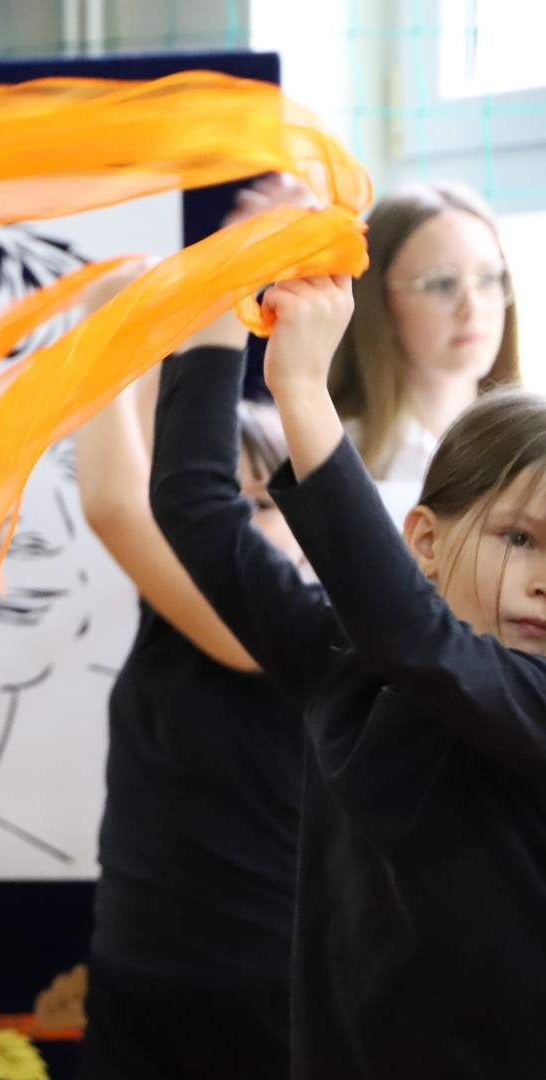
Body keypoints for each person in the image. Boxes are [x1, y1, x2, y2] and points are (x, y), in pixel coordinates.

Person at [151, 271, 546, 1077]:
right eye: (521, 538)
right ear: (425, 540)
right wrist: (219, 308)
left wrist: (300, 387)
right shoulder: (342, 663)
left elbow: (414, 636)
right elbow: (195, 509)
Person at [75, 177, 310, 1080]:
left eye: (266, 505)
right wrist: (142, 326)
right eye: (229, 501)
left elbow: (113, 503)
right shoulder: (175, 609)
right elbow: (142, 477)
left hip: (257, 994)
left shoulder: (286, 630)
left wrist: (110, 326)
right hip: (140, 976)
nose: (243, 525)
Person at [330, 181, 519, 482]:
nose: (473, 307)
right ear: (379, 302)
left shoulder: (530, 445)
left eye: (487, 279)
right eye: (441, 283)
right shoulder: (334, 452)